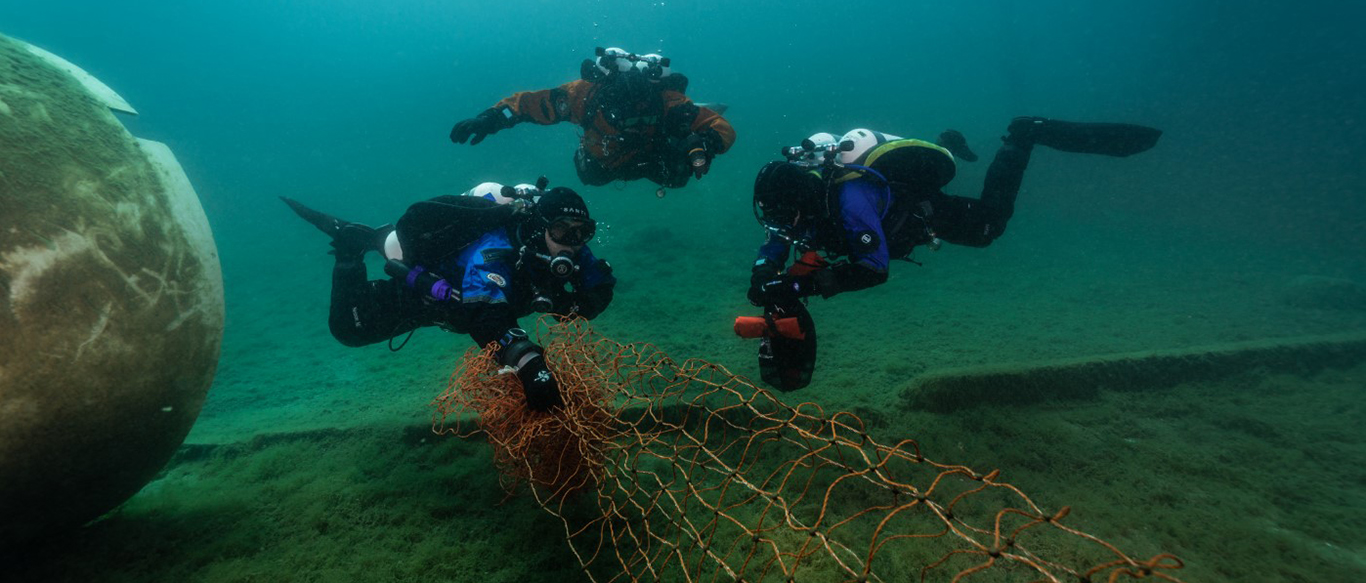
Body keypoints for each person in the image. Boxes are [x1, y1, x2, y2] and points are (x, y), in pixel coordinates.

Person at [742, 117, 1162, 389]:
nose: (783, 227)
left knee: (986, 229)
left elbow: (873, 268)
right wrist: (766, 268)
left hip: (917, 214)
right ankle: (942, 138)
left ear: (805, 202)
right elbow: (778, 235)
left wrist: (797, 283)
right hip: (888, 203)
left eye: (787, 219)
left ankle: (1022, 137)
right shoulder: (802, 198)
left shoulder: (851, 200)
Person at [282, 182, 616, 411]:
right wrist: (532, 366)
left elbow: (599, 284)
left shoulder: (569, 249)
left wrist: (582, 300)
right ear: (539, 226)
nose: (572, 242)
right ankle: (351, 248)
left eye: (582, 232)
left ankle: (377, 238)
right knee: (349, 329)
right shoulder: (496, 251)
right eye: (561, 230)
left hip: (463, 304)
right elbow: (486, 317)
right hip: (430, 297)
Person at [449, 47, 736, 192]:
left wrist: (706, 142)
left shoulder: (668, 100)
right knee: (589, 177)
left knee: (678, 176)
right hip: (605, 162)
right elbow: (529, 104)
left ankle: (683, 133)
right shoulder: (583, 95)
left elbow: (722, 128)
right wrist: (491, 118)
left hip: (654, 156)